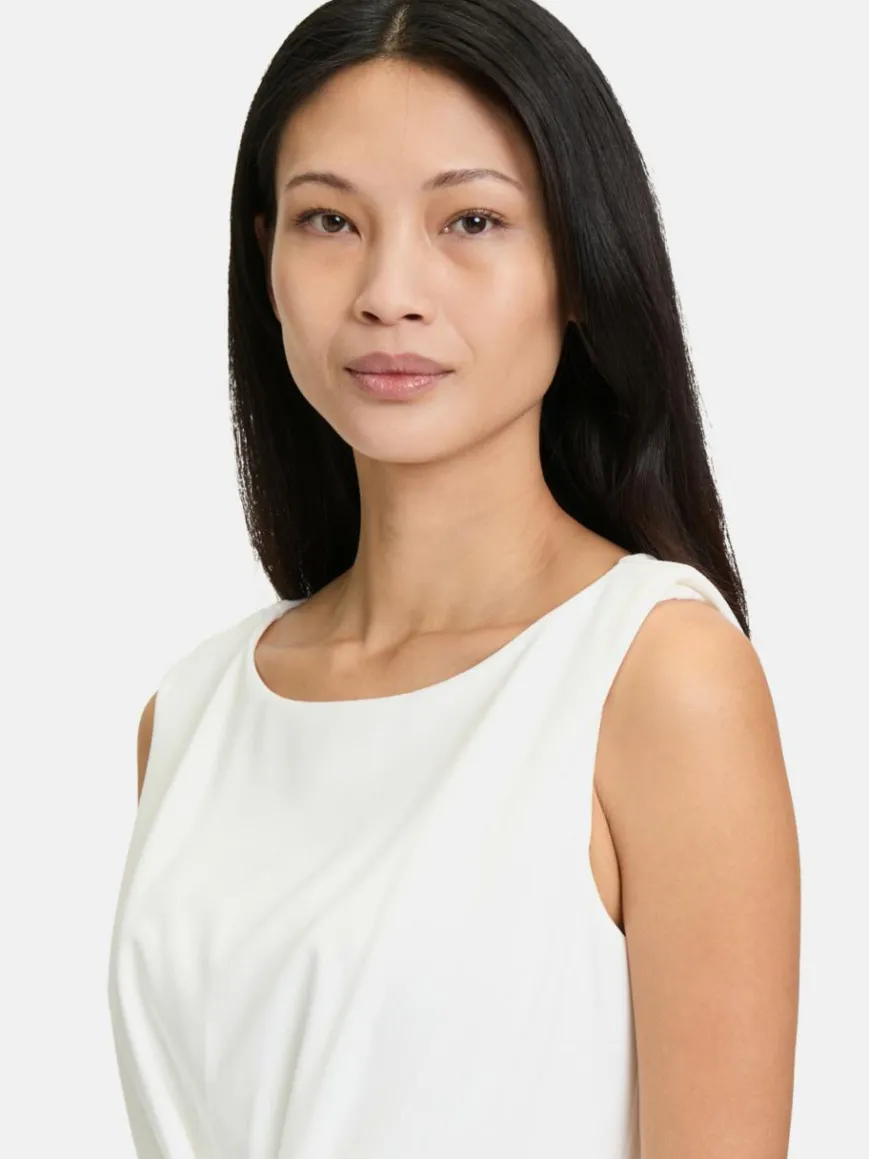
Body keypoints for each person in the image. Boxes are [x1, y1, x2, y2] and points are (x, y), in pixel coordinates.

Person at [107, 1, 801, 1156]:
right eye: (329, 219)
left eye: (470, 219)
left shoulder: (655, 678)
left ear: (577, 264)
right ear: (264, 256)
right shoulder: (189, 715)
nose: (388, 289)